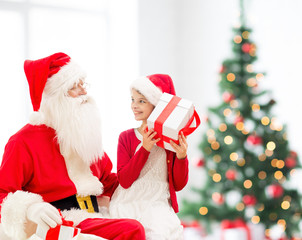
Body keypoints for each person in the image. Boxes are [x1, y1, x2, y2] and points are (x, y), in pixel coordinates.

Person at [0, 52, 145, 240]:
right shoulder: (23, 141)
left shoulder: (82, 133)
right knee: (131, 230)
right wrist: (31, 208)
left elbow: (108, 180)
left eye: (82, 84)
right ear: (55, 96)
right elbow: (3, 193)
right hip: (62, 222)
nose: (84, 92)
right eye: (74, 87)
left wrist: (144, 171)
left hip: (95, 215)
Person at [109, 74, 189, 240]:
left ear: (157, 106)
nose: (134, 106)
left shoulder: (171, 142)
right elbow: (124, 180)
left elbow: (179, 184)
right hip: (128, 201)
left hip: (158, 202)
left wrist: (182, 157)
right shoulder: (126, 137)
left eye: (141, 101)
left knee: (161, 232)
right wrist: (144, 148)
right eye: (132, 100)